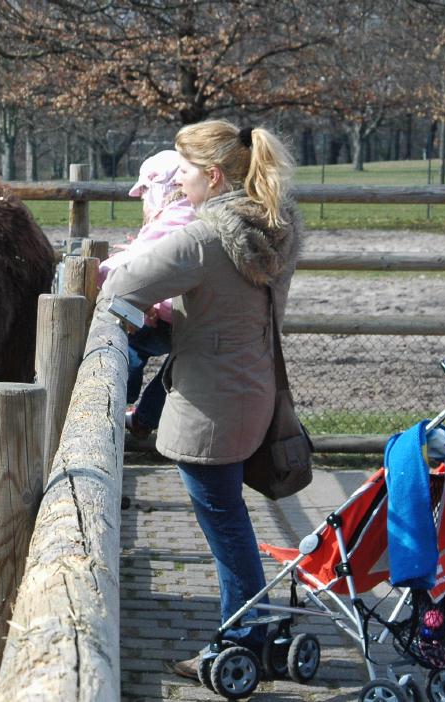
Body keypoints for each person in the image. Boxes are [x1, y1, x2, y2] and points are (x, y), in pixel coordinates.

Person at [96, 120, 303, 681]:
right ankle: (252, 630)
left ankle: (241, 639)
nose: (179, 181)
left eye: (184, 170)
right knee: (231, 520)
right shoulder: (276, 227)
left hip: (210, 406)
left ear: (212, 176)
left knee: (228, 529)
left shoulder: (201, 240)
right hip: (254, 390)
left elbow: (120, 285)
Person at [100, 150, 196, 439]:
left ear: (161, 188)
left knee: (124, 346)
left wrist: (101, 271)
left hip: (175, 315)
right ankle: (144, 417)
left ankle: (113, 407)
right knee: (181, 365)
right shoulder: (198, 210)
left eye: (144, 190)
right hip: (195, 314)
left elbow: (118, 272)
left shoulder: (177, 214)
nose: (142, 198)